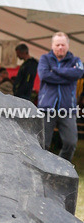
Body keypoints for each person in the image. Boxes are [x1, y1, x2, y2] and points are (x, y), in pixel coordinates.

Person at [37, 32, 84, 162]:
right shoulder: (44, 59)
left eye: (63, 45)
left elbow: (78, 73)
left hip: (68, 109)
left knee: (70, 142)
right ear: (52, 45)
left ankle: (61, 168)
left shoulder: (76, 61)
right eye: (57, 45)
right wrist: (67, 76)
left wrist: (56, 71)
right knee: (43, 144)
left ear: (68, 45)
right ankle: (42, 168)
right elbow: (45, 76)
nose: (60, 47)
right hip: (46, 108)